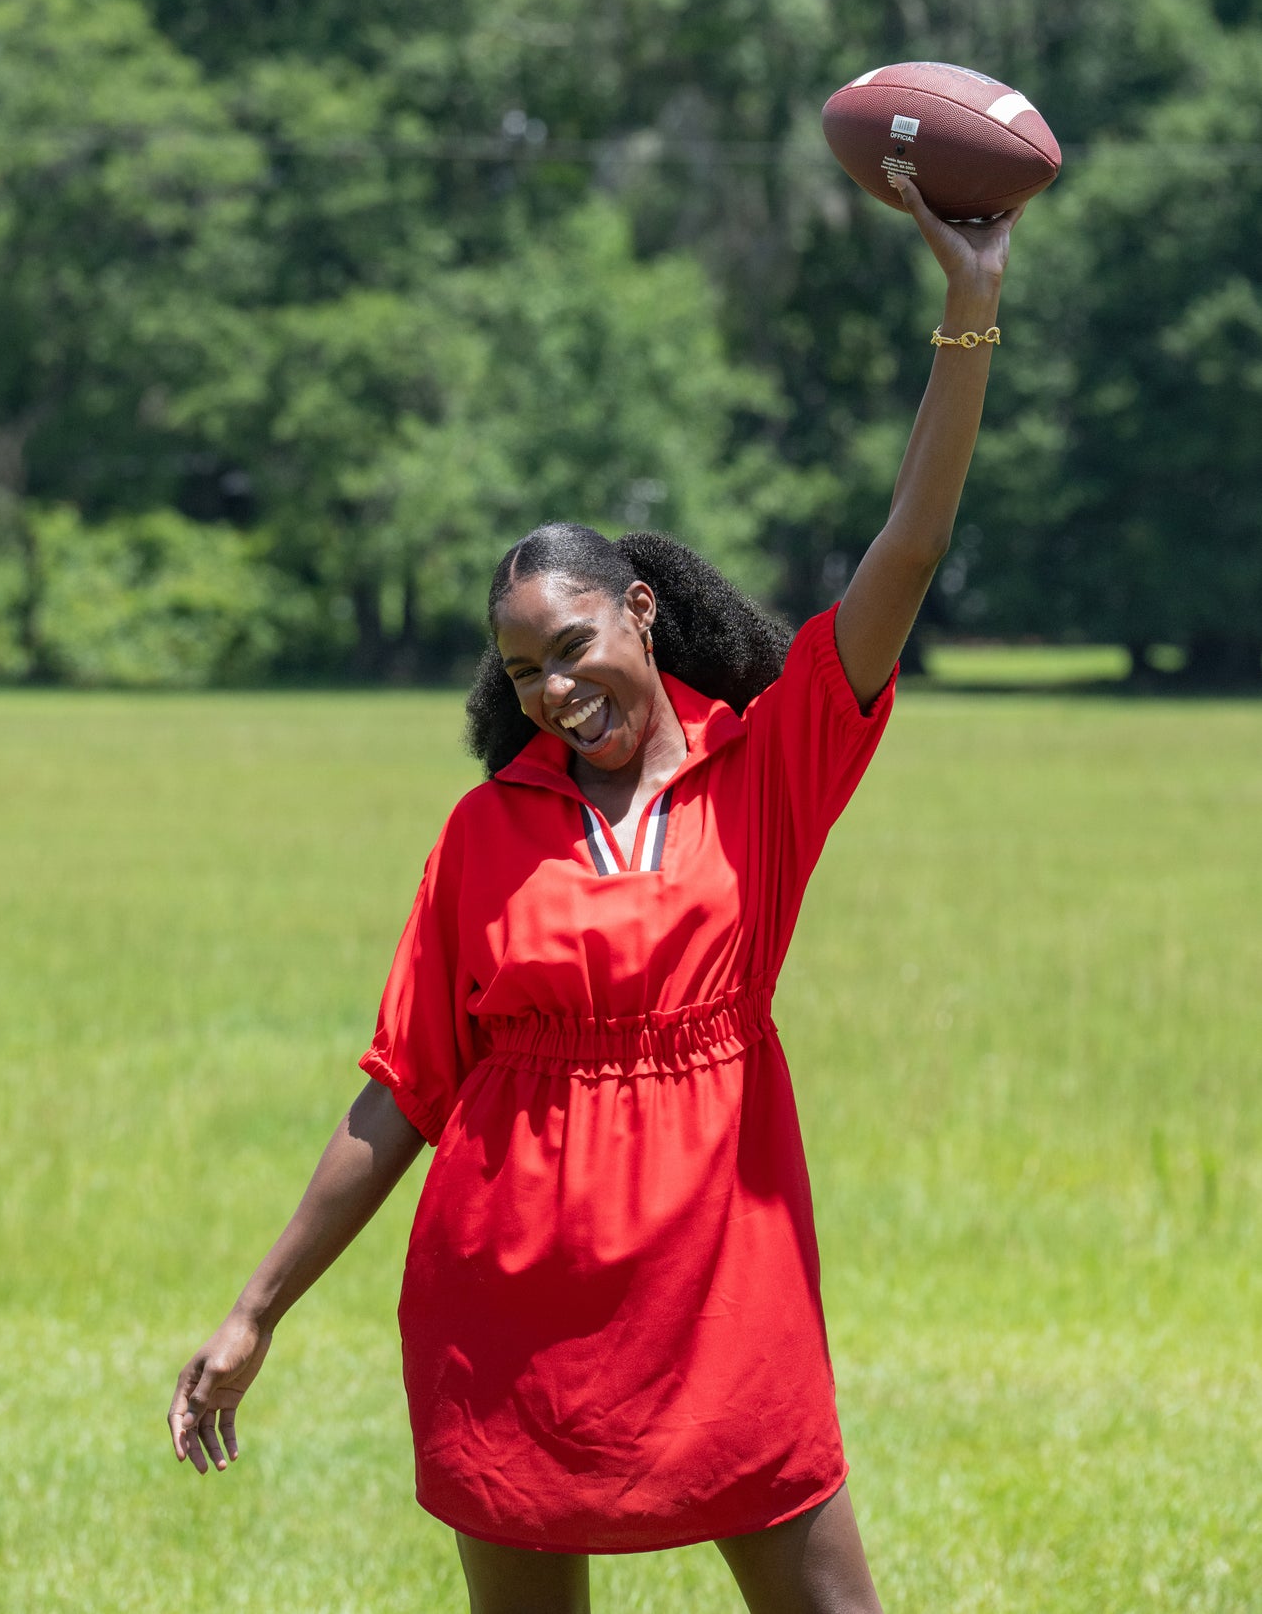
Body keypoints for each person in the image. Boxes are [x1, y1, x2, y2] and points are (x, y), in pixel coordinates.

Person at [167, 176, 1022, 1613]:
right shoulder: (483, 832)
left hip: (722, 1290)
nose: (556, 692)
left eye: (573, 647)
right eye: (521, 675)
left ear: (637, 609)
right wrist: (254, 1311)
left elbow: (909, 550)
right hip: (504, 1308)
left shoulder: (771, 767)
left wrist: (968, 309)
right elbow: (402, 1090)